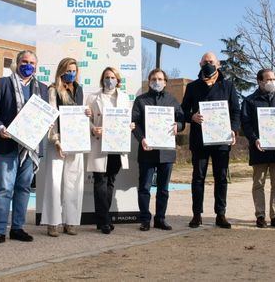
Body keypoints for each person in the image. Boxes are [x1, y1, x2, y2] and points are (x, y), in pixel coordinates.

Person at [0, 50, 49, 247]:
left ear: (36, 66)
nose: (27, 65)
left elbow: (44, 114)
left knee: (23, 189)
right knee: (4, 189)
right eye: (24, 61)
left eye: (31, 62)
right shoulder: (3, 83)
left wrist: (47, 123)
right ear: (17, 63)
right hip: (7, 145)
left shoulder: (43, 89)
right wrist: (0, 127)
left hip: (30, 148)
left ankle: (17, 228)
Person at [181, 52, 240, 229]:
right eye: (205, 62)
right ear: (200, 64)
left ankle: (220, 214)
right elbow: (182, 111)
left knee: (221, 177)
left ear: (218, 64)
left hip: (222, 141)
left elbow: (236, 111)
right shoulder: (192, 87)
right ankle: (196, 214)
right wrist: (192, 116)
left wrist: (234, 130)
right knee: (198, 178)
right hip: (200, 141)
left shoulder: (228, 86)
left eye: (211, 61)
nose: (208, 64)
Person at [41, 57, 91, 237]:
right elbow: (51, 117)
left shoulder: (79, 90)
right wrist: (56, 140)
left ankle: (71, 221)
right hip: (58, 142)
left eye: (74, 70)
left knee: (74, 183)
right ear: (61, 71)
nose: (71, 73)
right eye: (68, 70)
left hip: (76, 142)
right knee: (54, 182)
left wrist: (87, 114)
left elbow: (80, 116)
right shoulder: (53, 90)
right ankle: (53, 222)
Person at [132, 68, 185, 231]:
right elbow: (135, 124)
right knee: (145, 188)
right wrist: (142, 139)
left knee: (163, 189)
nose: (157, 82)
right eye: (154, 79)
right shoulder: (140, 100)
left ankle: (160, 219)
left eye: (160, 79)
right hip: (147, 150)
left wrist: (179, 126)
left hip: (166, 152)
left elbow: (181, 120)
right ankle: (145, 220)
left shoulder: (172, 100)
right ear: (149, 81)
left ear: (165, 82)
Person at [240, 69, 275, 229]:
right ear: (260, 81)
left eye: (273, 79)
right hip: (259, 149)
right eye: (268, 79)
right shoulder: (249, 101)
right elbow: (245, 125)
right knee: (259, 183)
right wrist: (254, 139)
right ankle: (260, 215)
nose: (271, 82)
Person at [86, 67, 133, 234]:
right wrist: (92, 128)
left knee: (111, 181)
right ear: (102, 79)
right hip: (100, 145)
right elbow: (86, 119)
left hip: (116, 146)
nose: (109, 80)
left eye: (112, 77)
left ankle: (103, 219)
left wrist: (130, 125)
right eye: (107, 77)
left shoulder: (125, 97)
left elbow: (127, 118)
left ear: (117, 80)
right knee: (100, 182)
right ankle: (104, 220)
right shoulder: (93, 98)